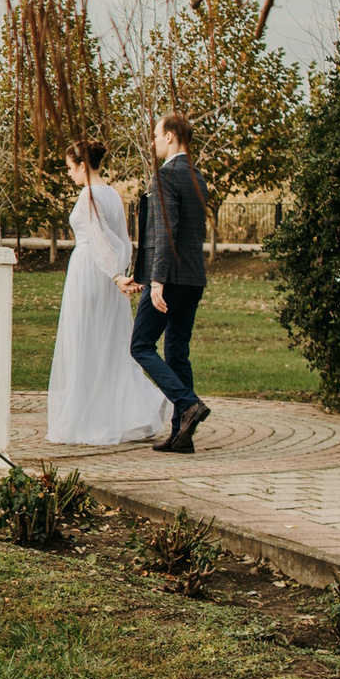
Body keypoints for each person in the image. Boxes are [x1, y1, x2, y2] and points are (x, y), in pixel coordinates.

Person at [45, 138, 171, 445]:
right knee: (109, 341)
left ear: (82, 165)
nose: (69, 174)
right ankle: (123, 410)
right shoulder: (112, 194)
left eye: (70, 168)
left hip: (91, 271)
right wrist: (121, 271)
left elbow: (100, 238)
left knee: (86, 339)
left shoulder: (88, 195)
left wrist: (116, 275)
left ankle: (91, 416)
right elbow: (123, 240)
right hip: (108, 272)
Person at [122, 113, 210, 453]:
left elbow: (166, 232)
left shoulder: (165, 176)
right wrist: (144, 272)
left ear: (171, 136)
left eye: (157, 135)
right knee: (176, 351)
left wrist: (156, 281)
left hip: (170, 279)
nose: (154, 141)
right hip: (192, 278)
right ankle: (181, 436)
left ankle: (188, 404)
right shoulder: (197, 177)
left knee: (140, 345)